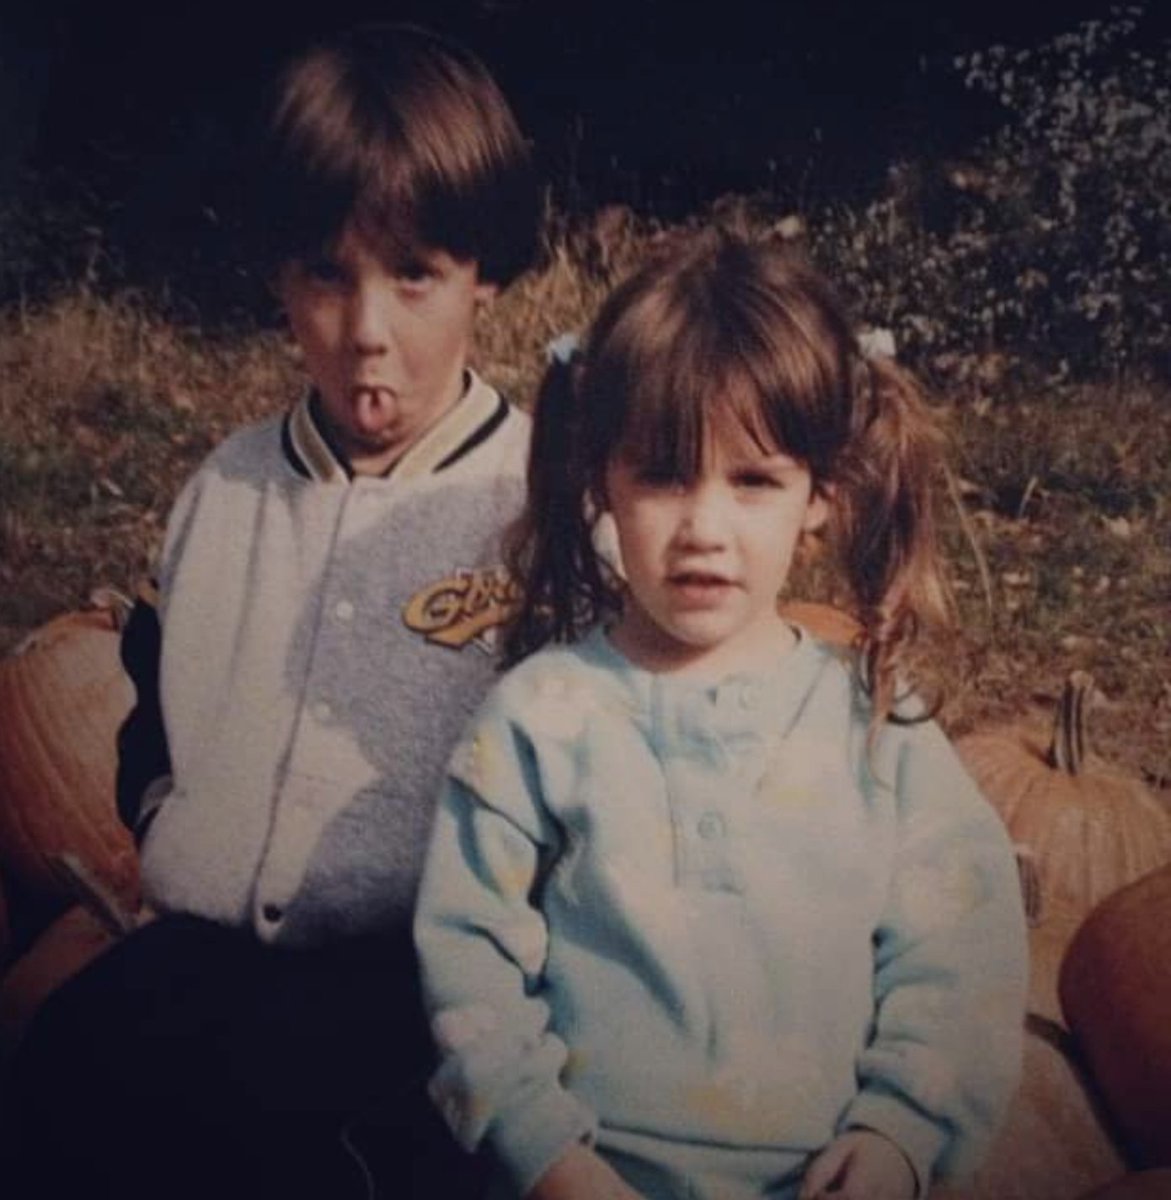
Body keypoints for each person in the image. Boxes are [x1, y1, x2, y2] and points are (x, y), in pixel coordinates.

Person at [7, 21, 537, 1200]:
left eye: (415, 275)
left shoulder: (532, 505)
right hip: (198, 949)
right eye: (326, 274)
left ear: (483, 272)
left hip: (422, 981)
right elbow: (155, 693)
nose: (366, 330)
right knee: (61, 1077)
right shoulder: (229, 488)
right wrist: (163, 817)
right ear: (277, 277)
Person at [412, 231, 1028, 1200]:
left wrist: (901, 1134)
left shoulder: (870, 725)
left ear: (820, 495)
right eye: (661, 474)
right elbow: (467, 958)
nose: (704, 527)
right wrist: (545, 1159)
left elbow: (961, 954)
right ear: (600, 479)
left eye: (752, 481)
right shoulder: (540, 720)